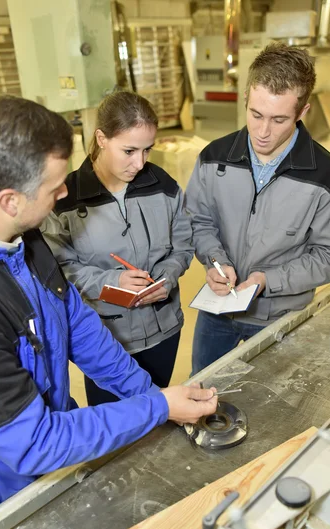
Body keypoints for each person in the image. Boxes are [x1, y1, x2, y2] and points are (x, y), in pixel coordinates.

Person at [0, 93, 217, 526]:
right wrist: (157, 409)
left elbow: (79, 327)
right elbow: (34, 442)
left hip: (54, 449)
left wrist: (151, 395)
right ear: (10, 199)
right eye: (54, 186)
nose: (66, 192)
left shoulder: (23, 238)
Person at [186, 42, 330, 374]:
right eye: (256, 114)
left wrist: (270, 280)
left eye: (279, 119)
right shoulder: (213, 158)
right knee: (202, 391)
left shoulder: (326, 175)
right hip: (216, 310)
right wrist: (215, 259)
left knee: (269, 404)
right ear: (247, 99)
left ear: (303, 111)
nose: (263, 132)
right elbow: (197, 219)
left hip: (279, 316)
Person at [43, 91, 193, 405]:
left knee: (156, 412)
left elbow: (183, 243)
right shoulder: (65, 198)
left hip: (164, 329)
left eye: (147, 149)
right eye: (129, 150)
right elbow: (56, 271)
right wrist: (110, 282)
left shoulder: (162, 185)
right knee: (116, 433)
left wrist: (167, 276)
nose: (140, 163)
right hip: (107, 341)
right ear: (101, 138)